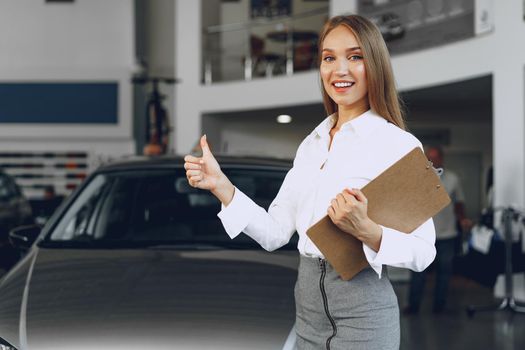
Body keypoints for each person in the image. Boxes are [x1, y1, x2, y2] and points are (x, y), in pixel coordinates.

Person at [184, 15, 436, 350]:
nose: (340, 70)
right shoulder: (312, 143)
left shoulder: (400, 145)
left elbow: (423, 253)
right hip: (307, 310)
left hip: (364, 313)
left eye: (355, 57)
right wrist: (223, 188)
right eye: (329, 58)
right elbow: (275, 233)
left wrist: (366, 230)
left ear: (375, 64)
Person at [405, 145, 471, 314]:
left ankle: (439, 307)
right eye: (429, 157)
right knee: (418, 271)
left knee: (444, 272)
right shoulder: (417, 178)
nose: (432, 161)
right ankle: (413, 306)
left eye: (435, 157)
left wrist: (462, 218)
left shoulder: (453, 179)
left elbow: (459, 203)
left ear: (442, 159)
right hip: (422, 235)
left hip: (446, 234)